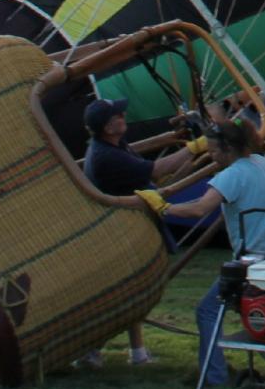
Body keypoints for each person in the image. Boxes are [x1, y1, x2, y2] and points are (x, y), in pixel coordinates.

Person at [137, 117, 265, 388]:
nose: (211, 156)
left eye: (214, 151)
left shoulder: (231, 175)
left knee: (207, 311)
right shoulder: (263, 163)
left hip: (252, 262)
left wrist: (164, 208)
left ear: (228, 148)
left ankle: (214, 377)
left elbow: (199, 209)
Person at [81, 96, 205, 366]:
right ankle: (90, 350)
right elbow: (160, 168)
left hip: (126, 229)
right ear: (106, 126)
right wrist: (196, 146)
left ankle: (136, 352)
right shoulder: (107, 156)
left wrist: (174, 137)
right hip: (122, 235)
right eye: (118, 116)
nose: (123, 117)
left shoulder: (110, 145)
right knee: (123, 296)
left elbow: (140, 150)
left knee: (131, 293)